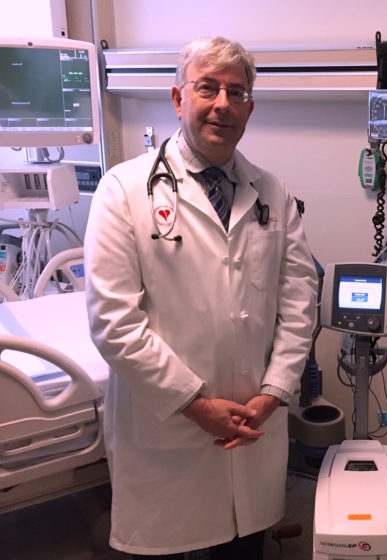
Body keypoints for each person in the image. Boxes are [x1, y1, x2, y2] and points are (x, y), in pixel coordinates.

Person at [84, 36, 318, 559]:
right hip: (167, 431)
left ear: (250, 108)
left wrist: (275, 391)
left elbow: (300, 299)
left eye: (236, 93)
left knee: (242, 548)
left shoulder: (272, 194)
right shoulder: (124, 191)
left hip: (252, 423)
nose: (222, 104)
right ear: (177, 98)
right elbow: (114, 323)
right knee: (169, 543)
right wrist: (194, 403)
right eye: (207, 88)